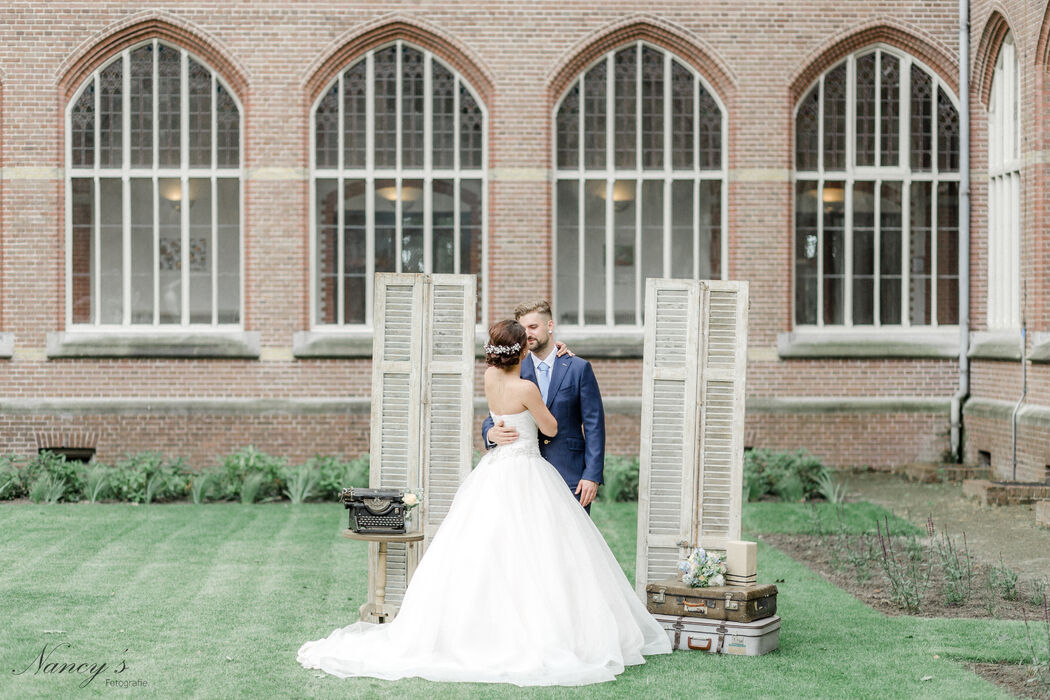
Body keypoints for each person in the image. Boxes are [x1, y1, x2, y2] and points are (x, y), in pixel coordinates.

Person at [297, 320, 671, 686]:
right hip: (527, 471)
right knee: (540, 553)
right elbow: (551, 428)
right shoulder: (526, 388)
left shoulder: (491, 378)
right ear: (521, 350)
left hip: (493, 472)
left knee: (484, 548)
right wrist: (515, 420)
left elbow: (500, 409)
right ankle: (539, 632)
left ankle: (476, 631)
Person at [482, 300, 604, 513]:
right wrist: (490, 433)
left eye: (533, 327)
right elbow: (494, 415)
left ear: (550, 326)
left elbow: (594, 425)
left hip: (570, 474)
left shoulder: (578, 368)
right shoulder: (512, 369)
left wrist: (591, 475)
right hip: (524, 478)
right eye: (523, 329)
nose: (527, 334)